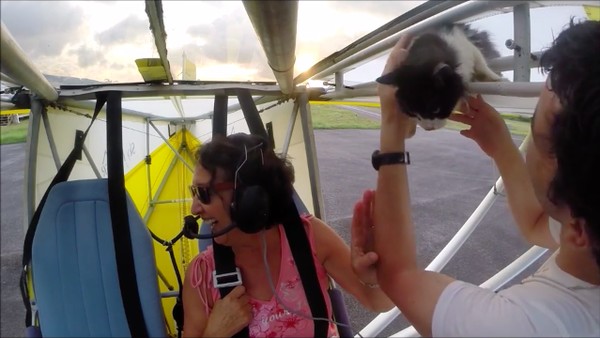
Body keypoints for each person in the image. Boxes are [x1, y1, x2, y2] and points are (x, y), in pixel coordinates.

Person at [354, 19, 600, 336]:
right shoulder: (590, 227)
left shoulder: (523, 326)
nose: (529, 148)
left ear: (579, 228)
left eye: (535, 135)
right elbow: (536, 224)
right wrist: (501, 144)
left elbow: (399, 276)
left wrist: (391, 120)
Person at [182, 132, 393, 337]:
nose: (194, 209)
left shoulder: (310, 238)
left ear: (247, 197)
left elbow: (378, 301)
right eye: (195, 192)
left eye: (203, 193)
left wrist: (377, 275)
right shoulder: (201, 276)